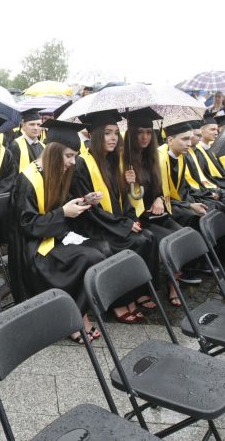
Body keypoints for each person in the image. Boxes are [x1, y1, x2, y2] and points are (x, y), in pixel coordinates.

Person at [9, 120, 107, 342]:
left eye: (74, 156)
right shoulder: (27, 180)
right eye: (69, 156)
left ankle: (77, 312)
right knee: (89, 256)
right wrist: (63, 213)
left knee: (102, 247)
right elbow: (28, 226)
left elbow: (54, 207)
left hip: (52, 237)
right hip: (33, 250)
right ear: (53, 152)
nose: (73, 162)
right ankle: (75, 319)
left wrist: (82, 201)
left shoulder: (52, 172)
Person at [71, 110, 159, 324]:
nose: (113, 138)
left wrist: (130, 219)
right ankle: (119, 301)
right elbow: (89, 208)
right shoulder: (82, 163)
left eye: (115, 133)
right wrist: (123, 225)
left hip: (115, 222)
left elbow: (126, 200)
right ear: (94, 135)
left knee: (148, 237)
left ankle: (138, 292)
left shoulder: (116, 160)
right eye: (107, 133)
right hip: (94, 225)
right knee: (130, 243)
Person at [122, 109, 183, 307]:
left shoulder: (152, 157)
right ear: (131, 134)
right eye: (140, 132)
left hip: (156, 212)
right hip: (139, 217)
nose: (145, 137)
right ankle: (144, 289)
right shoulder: (123, 159)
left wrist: (158, 199)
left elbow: (157, 188)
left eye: (149, 132)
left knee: (182, 235)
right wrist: (126, 181)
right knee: (165, 240)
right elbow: (125, 197)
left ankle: (173, 283)